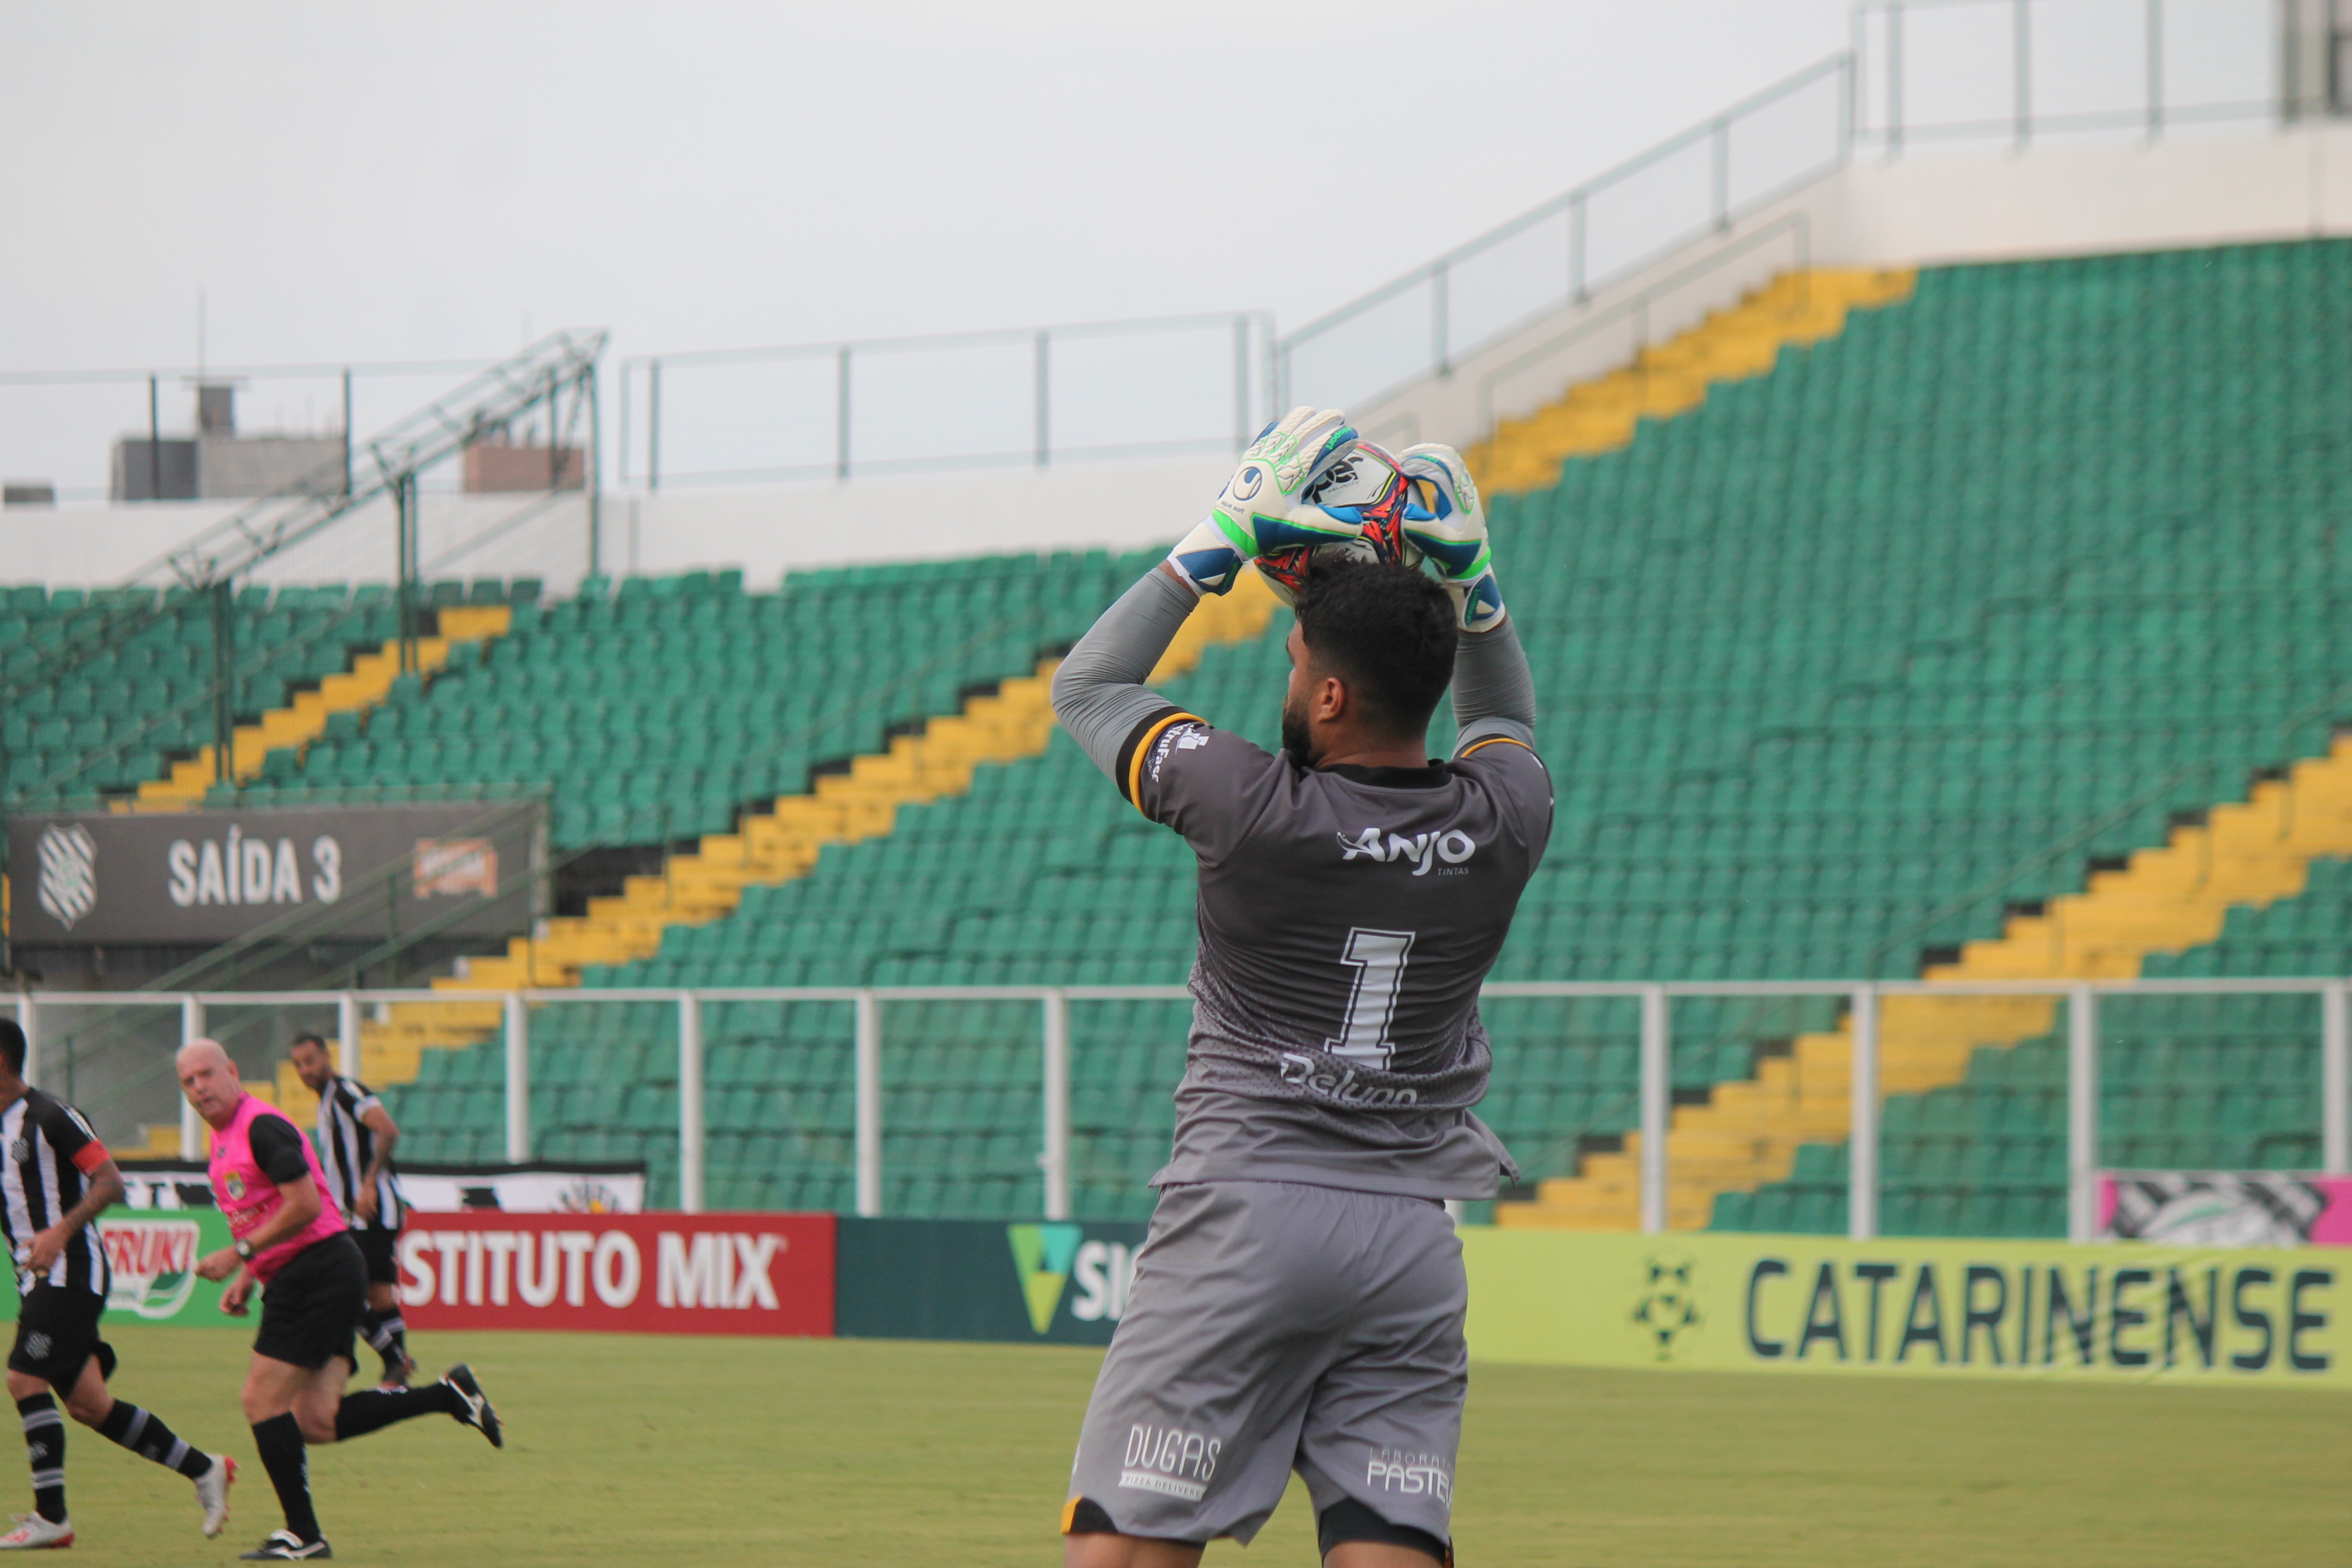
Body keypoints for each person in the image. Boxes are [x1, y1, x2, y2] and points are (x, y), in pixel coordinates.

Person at [1047, 410, 1548, 1567]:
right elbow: (1503, 715)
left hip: (1247, 1212)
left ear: (1329, 699)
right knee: (1387, 1546)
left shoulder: (1251, 806)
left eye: (1295, 662)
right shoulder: (1506, 819)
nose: (1291, 675)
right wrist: (1472, 575)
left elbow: (1090, 684)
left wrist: (1219, 538)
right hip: (1412, 1240)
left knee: (1125, 1546)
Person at [177, 1038, 500, 1562]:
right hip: (313, 1271)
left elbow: (304, 1206)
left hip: (318, 1272)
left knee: (261, 1400)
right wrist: (251, 1275)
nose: (199, 1088)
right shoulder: (225, 1141)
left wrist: (239, 1255)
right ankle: (449, 1395)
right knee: (315, 1421)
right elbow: (266, 1213)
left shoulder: (261, 1127)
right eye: (188, 1082)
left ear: (233, 1072)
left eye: (207, 1075)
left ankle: (303, 1535)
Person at [0, 1019, 235, 1550]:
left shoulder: (50, 1116)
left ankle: (51, 1517)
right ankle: (205, 1469)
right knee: (89, 1405)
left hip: (73, 1268)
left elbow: (109, 1179)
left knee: (23, 1380)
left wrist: (60, 1230)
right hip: (36, 1277)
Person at [285, 1035, 413, 1389]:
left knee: (344, 1288)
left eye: (310, 1060)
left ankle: (387, 1360)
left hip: (372, 1209)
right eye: (298, 1065)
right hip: (361, 1213)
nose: (304, 1070)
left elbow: (387, 1129)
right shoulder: (327, 1101)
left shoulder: (345, 1091)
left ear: (327, 1056)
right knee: (378, 1294)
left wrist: (369, 1184)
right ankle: (397, 1369)